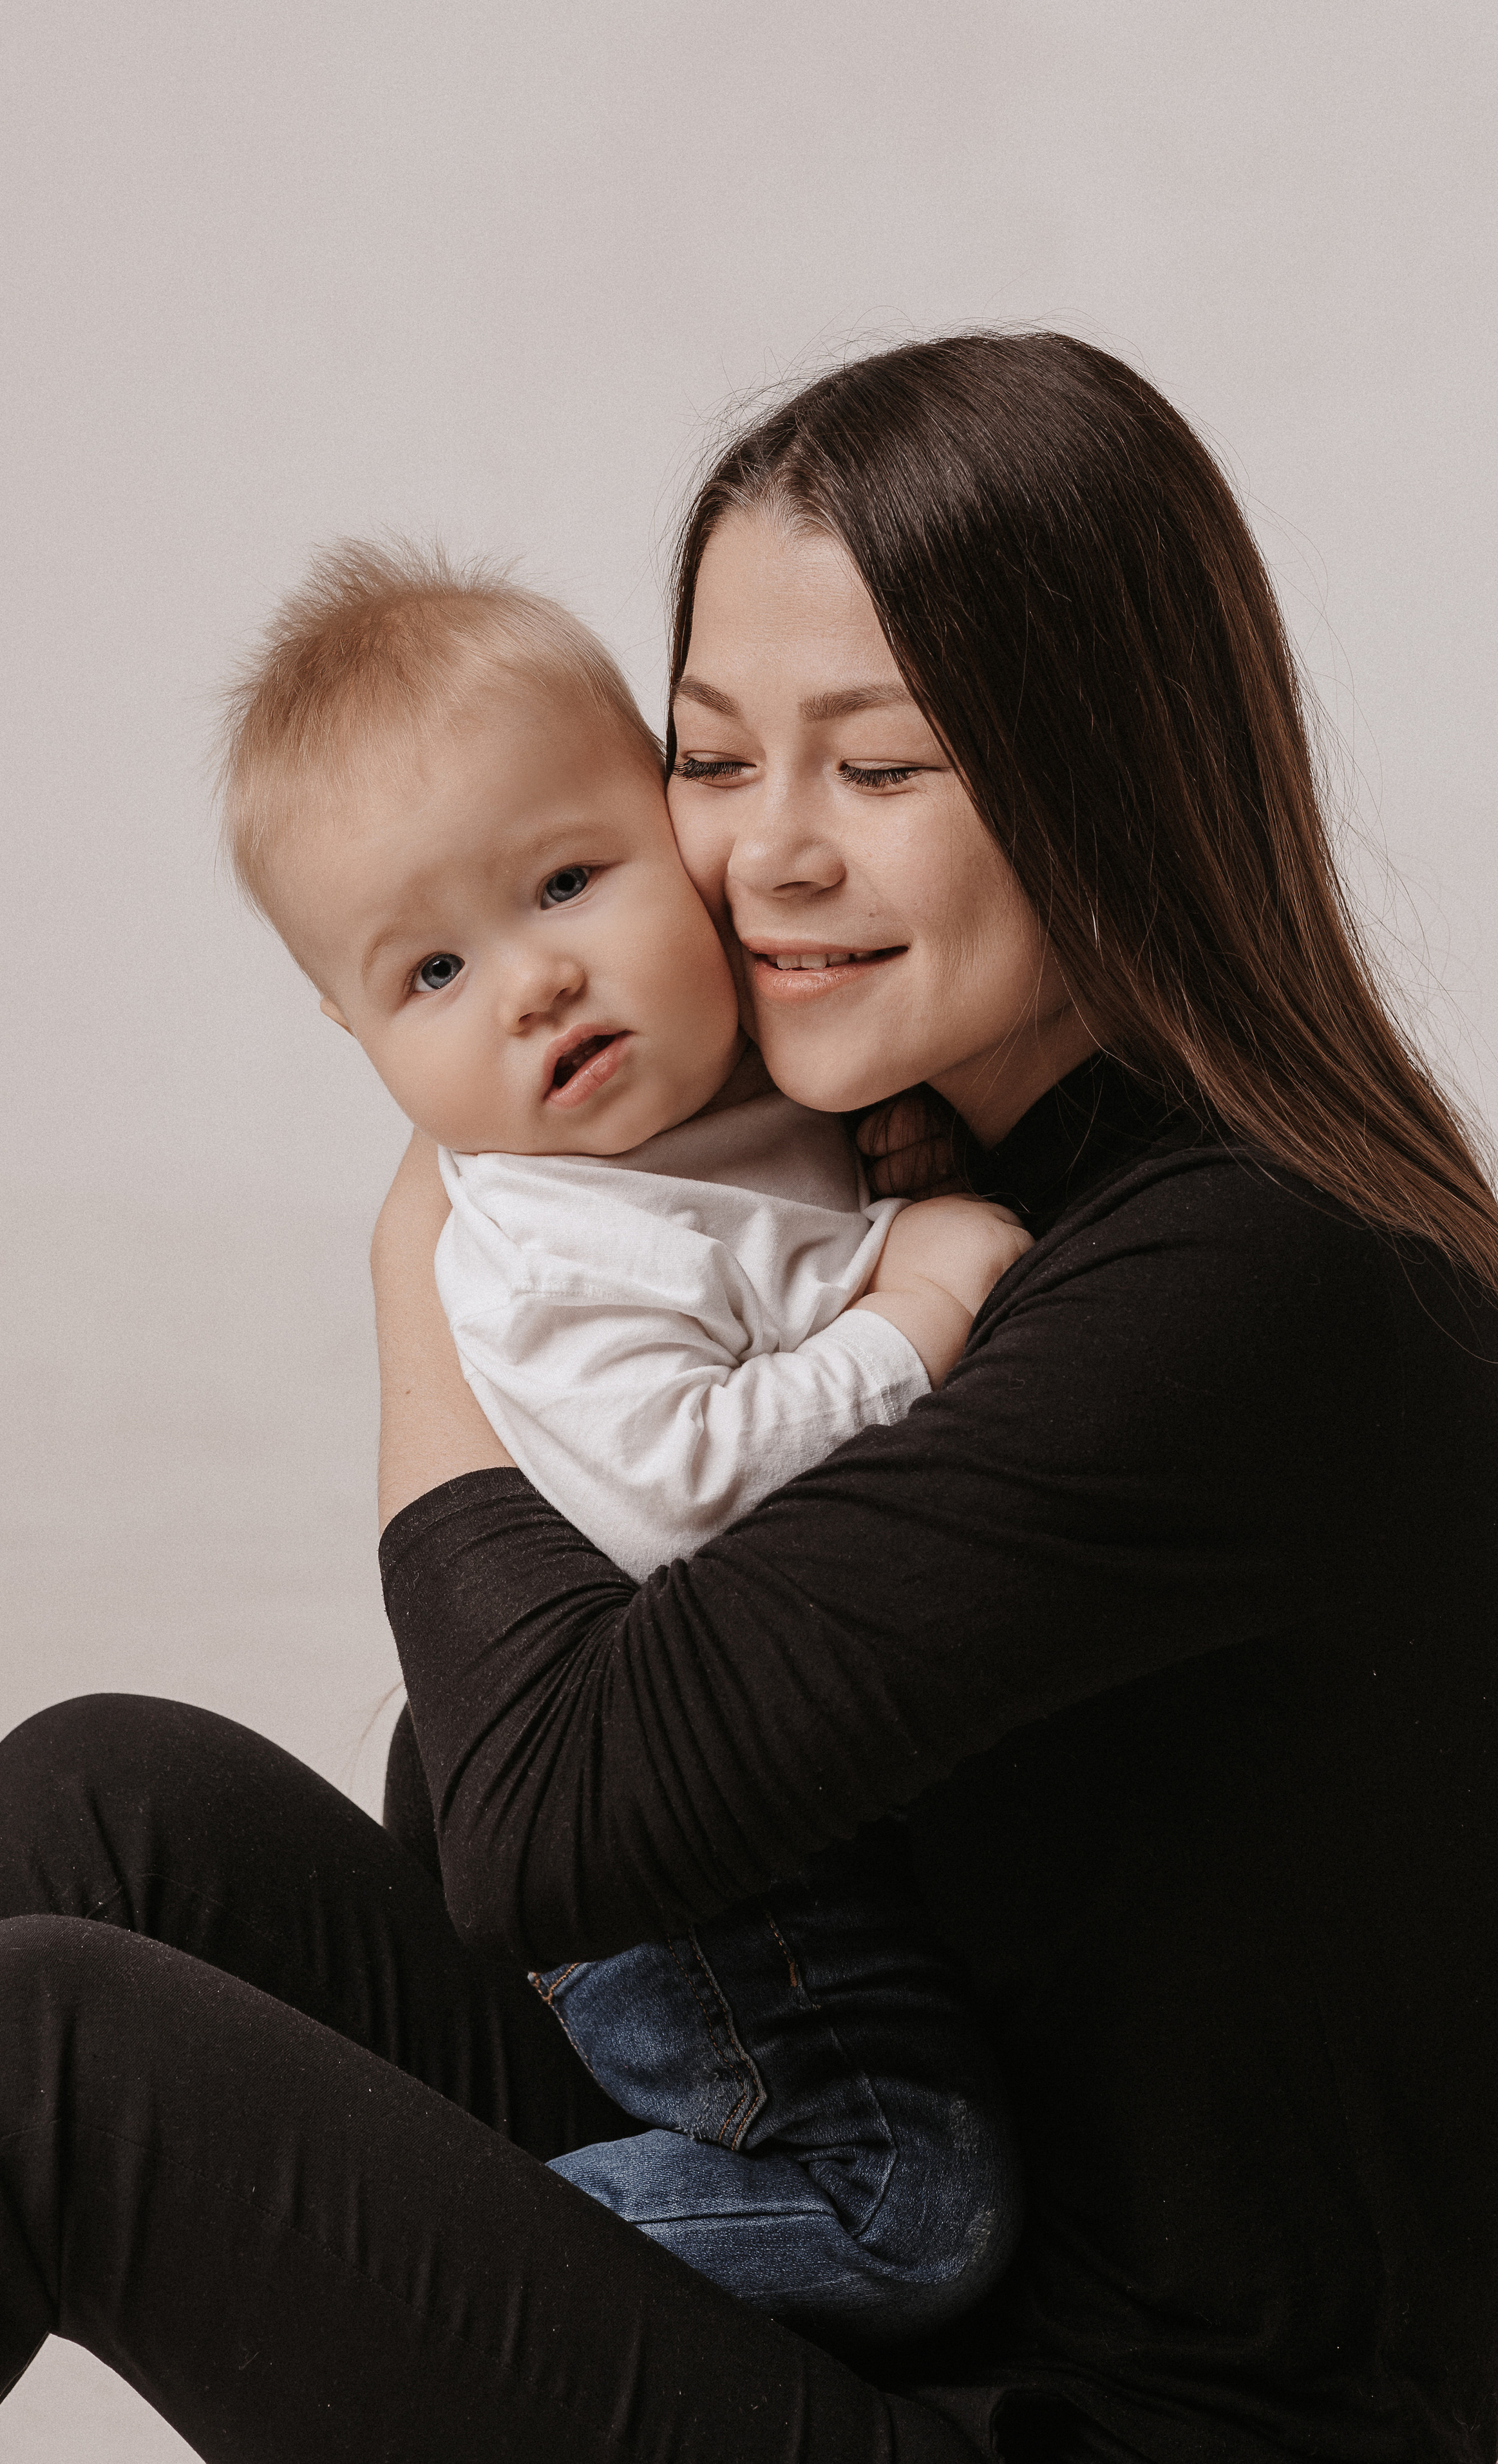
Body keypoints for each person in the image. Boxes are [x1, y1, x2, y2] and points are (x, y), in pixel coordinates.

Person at [0, 330, 1495, 2464]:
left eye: (880, 768)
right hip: (887, 2261)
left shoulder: (1235, 1284)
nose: (772, 858)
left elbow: (545, 1822)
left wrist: (430, 1263)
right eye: (713, 761)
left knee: (40, 2063)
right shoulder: (906, 1185)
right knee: (110, 1801)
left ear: (1113, 765)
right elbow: (496, 1820)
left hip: (1092, 2418)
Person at [218, 541, 1030, 2336]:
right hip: (697, 1899)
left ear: (680, 834)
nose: (533, 982)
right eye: (431, 970)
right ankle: (401, 2241)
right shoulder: (545, 1240)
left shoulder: (742, 1098)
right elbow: (686, 1493)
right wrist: (916, 1307)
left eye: (569, 880)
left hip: (752, 1821)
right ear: (351, 1029)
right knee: (910, 2203)